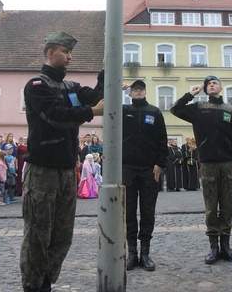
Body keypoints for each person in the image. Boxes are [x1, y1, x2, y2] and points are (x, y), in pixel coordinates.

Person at [19, 31, 104, 292]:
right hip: (43, 171)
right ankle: (33, 286)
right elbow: (56, 116)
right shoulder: (37, 86)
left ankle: (47, 281)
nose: (70, 57)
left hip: (67, 171)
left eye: (71, 53)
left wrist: (106, 74)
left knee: (62, 235)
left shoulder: (71, 87)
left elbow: (94, 96)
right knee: (37, 235)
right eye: (66, 52)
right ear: (50, 53)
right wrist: (91, 112)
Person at [170, 75, 232, 265]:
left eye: (214, 83)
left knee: (227, 206)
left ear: (220, 87)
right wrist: (190, 94)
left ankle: (226, 247)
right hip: (209, 164)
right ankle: (213, 247)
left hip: (228, 163)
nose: (211, 85)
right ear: (205, 89)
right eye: (208, 84)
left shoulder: (230, 111)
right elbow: (175, 109)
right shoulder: (198, 109)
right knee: (211, 207)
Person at [122, 80, 168, 272]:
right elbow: (106, 109)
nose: (138, 91)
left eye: (141, 89)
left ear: (145, 92)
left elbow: (162, 141)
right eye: (135, 89)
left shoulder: (154, 112)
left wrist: (159, 164)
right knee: (129, 212)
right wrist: (118, 89)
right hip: (128, 168)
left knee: (148, 211)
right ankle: (132, 252)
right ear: (130, 93)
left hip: (150, 170)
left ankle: (145, 252)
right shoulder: (123, 111)